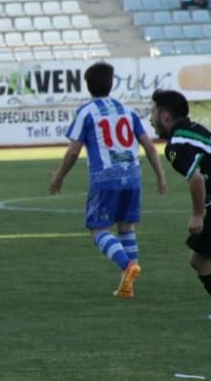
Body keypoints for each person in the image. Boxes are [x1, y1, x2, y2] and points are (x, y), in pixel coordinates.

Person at [48, 63, 167, 298]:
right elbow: (149, 146)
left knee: (98, 229)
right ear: (111, 84)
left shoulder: (86, 111)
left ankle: (127, 266)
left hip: (105, 178)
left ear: (88, 85)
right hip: (132, 176)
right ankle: (128, 286)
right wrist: (160, 175)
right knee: (127, 228)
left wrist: (59, 176)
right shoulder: (127, 110)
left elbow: (73, 151)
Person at [149, 90, 211, 301]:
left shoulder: (176, 145)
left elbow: (196, 179)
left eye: (153, 112)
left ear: (165, 116)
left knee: (199, 260)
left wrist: (197, 214)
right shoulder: (195, 130)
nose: (150, 119)